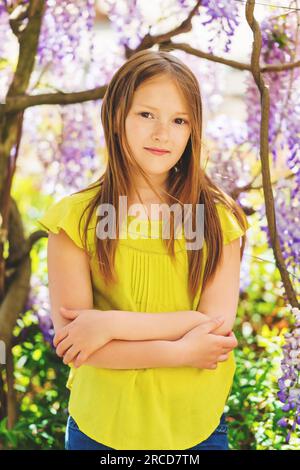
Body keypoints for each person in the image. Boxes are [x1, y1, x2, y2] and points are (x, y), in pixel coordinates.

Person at [37, 49, 250, 451]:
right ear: (117, 118)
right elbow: (77, 346)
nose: (162, 134)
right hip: (100, 426)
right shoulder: (75, 220)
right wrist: (183, 348)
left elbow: (215, 327)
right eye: (146, 114)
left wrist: (109, 325)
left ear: (193, 130)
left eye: (179, 120)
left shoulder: (218, 220)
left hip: (196, 425)